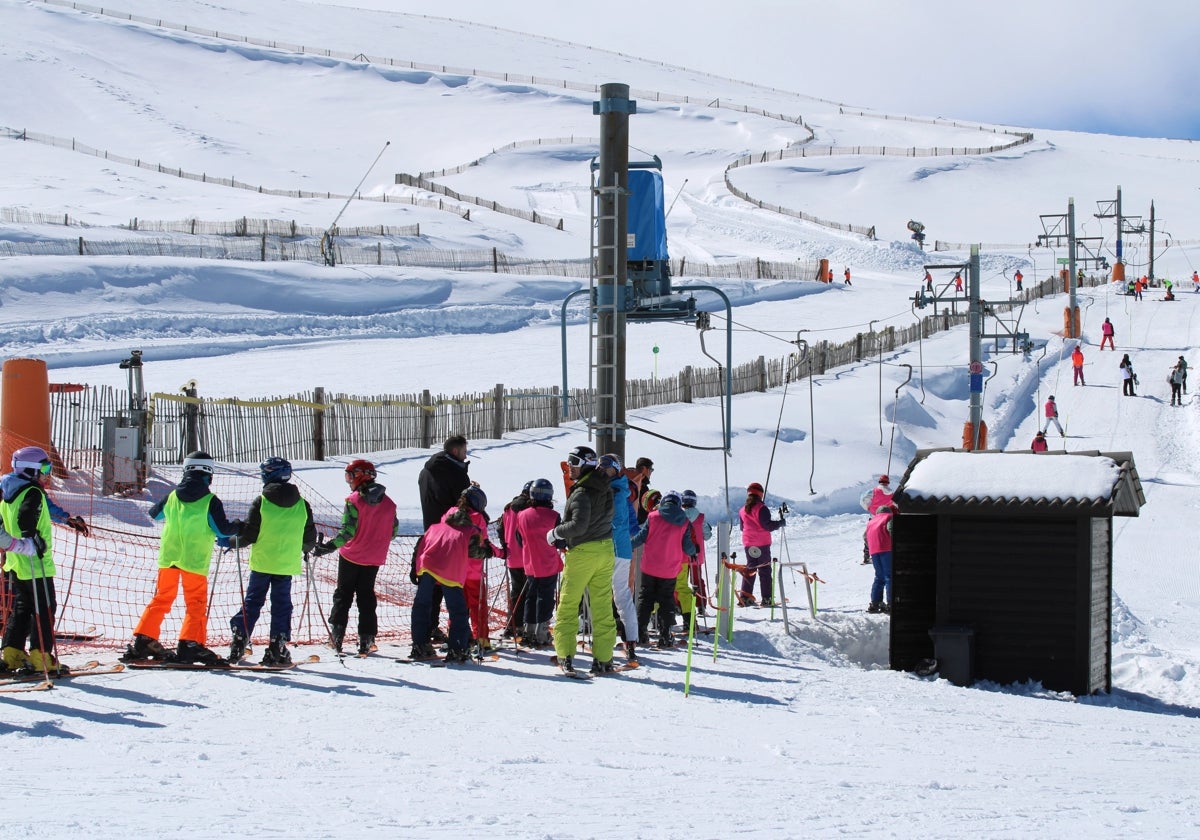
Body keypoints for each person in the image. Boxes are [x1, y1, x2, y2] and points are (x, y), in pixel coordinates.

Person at [125, 451, 238, 665]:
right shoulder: (210, 500)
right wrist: (239, 527)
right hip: (193, 560)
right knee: (195, 603)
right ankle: (190, 644)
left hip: (169, 559)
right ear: (208, 473)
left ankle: (144, 639)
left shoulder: (173, 495)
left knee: (162, 598)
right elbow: (222, 530)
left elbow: (154, 514)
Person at [1, 446, 89, 674]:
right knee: (45, 608)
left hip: (15, 562)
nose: (47, 473)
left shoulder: (11, 489)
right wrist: (33, 539)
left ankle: (12, 653)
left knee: (22, 607)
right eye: (45, 468)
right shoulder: (32, 492)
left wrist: (68, 519)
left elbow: (44, 508)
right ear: (30, 470)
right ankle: (41, 657)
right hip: (34, 561)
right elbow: (26, 518)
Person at [227, 457, 317, 665]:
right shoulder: (302, 504)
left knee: (253, 601)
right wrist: (303, 549)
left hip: (262, 562)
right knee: (282, 604)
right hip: (286, 564)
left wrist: (232, 542)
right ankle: (278, 646)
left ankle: (240, 638)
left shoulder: (262, 501)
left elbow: (250, 534)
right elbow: (309, 539)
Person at [314, 459, 398, 656]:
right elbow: (393, 532)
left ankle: (336, 637)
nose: (348, 481)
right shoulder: (389, 503)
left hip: (351, 555)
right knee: (366, 596)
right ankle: (367, 639)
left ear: (360, 476)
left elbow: (347, 532)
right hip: (374, 557)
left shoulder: (353, 501)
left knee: (343, 594)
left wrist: (328, 547)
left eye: (350, 476)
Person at [547, 445, 616, 676]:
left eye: (574, 462)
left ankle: (565, 655)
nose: (570, 467)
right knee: (602, 605)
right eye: (568, 461)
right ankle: (604, 658)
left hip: (583, 553)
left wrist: (556, 533)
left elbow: (578, 525)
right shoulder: (604, 487)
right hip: (605, 550)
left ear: (586, 463)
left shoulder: (582, 492)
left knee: (568, 605)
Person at [418, 434, 472, 643]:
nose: (466, 455)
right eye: (464, 451)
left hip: (431, 531)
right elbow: (461, 504)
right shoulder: (454, 473)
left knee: (430, 583)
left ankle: (428, 626)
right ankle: (455, 632)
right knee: (450, 584)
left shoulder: (428, 469)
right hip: (450, 533)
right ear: (456, 451)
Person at [409, 503, 478, 662]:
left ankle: (420, 644)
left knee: (422, 605)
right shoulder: (469, 531)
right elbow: (476, 551)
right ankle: (458, 648)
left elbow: (421, 545)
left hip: (427, 566)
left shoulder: (434, 527)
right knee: (458, 610)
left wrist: (414, 569)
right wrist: (491, 551)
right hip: (450, 571)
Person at [631, 491, 697, 649]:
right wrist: (694, 551)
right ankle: (666, 635)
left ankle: (640, 633)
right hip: (669, 569)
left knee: (645, 599)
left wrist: (626, 546)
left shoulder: (653, 517)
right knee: (666, 601)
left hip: (649, 567)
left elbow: (641, 537)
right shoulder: (684, 521)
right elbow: (687, 547)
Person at [599, 454, 640, 665]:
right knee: (622, 594)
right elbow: (633, 524)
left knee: (604, 595)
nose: (602, 469)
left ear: (615, 469)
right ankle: (631, 639)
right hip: (622, 549)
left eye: (606, 466)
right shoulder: (625, 492)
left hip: (608, 548)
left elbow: (606, 521)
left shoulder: (610, 492)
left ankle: (606, 641)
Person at [515, 478, 562, 650]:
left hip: (530, 562)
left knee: (531, 596)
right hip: (548, 562)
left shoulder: (522, 515)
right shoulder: (554, 516)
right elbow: (559, 540)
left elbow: (519, 538)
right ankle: (542, 632)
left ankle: (529, 630)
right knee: (546, 597)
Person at [459, 485, 499, 656]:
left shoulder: (451, 514)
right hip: (473, 570)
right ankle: (481, 639)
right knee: (478, 607)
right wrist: (498, 552)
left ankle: (457, 638)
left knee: (458, 606)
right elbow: (484, 542)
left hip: (455, 570)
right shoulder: (478, 518)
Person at [737, 482, 785, 608]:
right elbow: (767, 525)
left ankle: (745, 598)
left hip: (748, 543)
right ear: (760, 494)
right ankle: (767, 599)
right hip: (762, 544)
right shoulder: (761, 508)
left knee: (750, 570)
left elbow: (742, 527)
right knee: (764, 570)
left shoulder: (742, 510)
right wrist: (779, 523)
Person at [497, 481, 532, 639]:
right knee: (529, 592)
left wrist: (505, 546)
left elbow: (499, 527)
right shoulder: (529, 509)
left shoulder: (508, 508)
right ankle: (524, 624)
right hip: (527, 556)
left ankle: (512, 625)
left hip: (512, 556)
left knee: (516, 592)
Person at [679, 489, 712, 621]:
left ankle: (680, 604)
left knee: (680, 581)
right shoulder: (701, 517)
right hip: (697, 554)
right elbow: (708, 536)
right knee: (697, 580)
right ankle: (701, 605)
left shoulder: (680, 517)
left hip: (682, 554)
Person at [865, 505, 895, 614]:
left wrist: (869, 550)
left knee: (879, 576)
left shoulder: (871, 522)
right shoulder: (889, 517)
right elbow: (891, 529)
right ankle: (891, 604)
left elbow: (865, 536)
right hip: (887, 548)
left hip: (874, 551)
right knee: (889, 576)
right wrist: (894, 542)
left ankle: (875, 603)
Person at [858, 474, 894, 565]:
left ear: (879, 482)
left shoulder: (873, 491)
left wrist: (869, 508)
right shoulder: (892, 493)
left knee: (867, 536)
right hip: (887, 519)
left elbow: (863, 500)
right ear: (888, 483)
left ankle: (866, 557)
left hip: (874, 518)